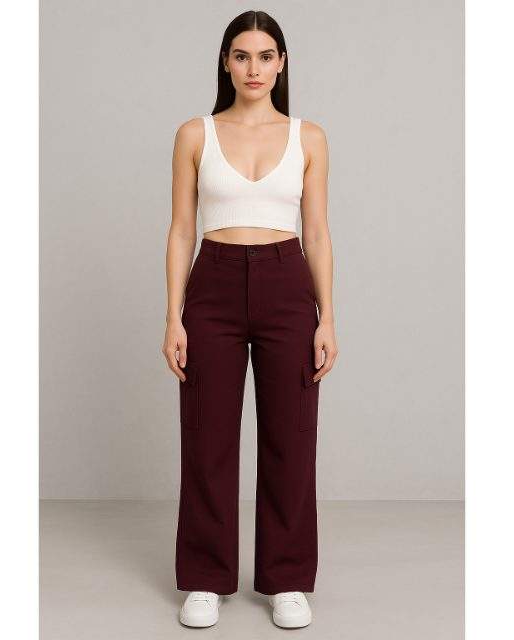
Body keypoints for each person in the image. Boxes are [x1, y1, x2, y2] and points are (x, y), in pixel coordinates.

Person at [162, 9, 338, 629]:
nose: (253, 68)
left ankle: (287, 578)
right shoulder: (195, 134)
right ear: (226, 62)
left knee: (292, 435)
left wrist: (327, 318)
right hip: (212, 285)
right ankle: (206, 577)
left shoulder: (309, 138)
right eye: (242, 56)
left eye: (265, 56)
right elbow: (181, 230)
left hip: (288, 284)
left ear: (282, 63)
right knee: (206, 434)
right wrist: (173, 316)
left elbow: (318, 233)